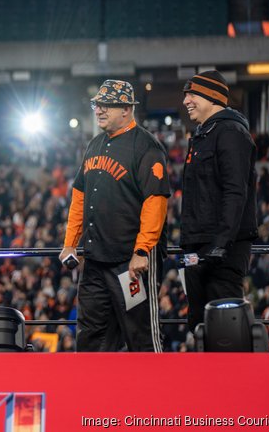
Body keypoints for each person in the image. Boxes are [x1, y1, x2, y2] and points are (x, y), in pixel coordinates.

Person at [59, 80, 168, 352]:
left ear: (127, 109)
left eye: (107, 104)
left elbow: (155, 202)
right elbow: (79, 197)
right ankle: (93, 392)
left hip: (129, 263)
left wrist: (142, 250)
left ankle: (153, 392)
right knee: (91, 335)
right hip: (95, 261)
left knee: (140, 334)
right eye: (98, 104)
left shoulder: (146, 146)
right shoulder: (94, 144)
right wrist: (70, 243)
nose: (99, 110)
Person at [180, 70, 257, 332]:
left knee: (225, 329)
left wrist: (221, 243)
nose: (186, 100)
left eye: (191, 94)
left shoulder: (231, 132)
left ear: (211, 96)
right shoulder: (202, 134)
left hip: (223, 250)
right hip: (198, 247)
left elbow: (236, 191)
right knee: (198, 325)